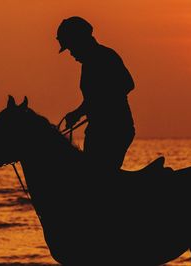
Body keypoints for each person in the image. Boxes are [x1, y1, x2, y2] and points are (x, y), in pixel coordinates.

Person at [57, 16, 135, 172]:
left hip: (114, 130)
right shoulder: (89, 63)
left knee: (97, 176)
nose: (71, 54)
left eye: (71, 47)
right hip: (98, 129)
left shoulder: (105, 57)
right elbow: (93, 99)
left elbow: (128, 84)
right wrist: (79, 112)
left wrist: (84, 110)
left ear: (80, 40)